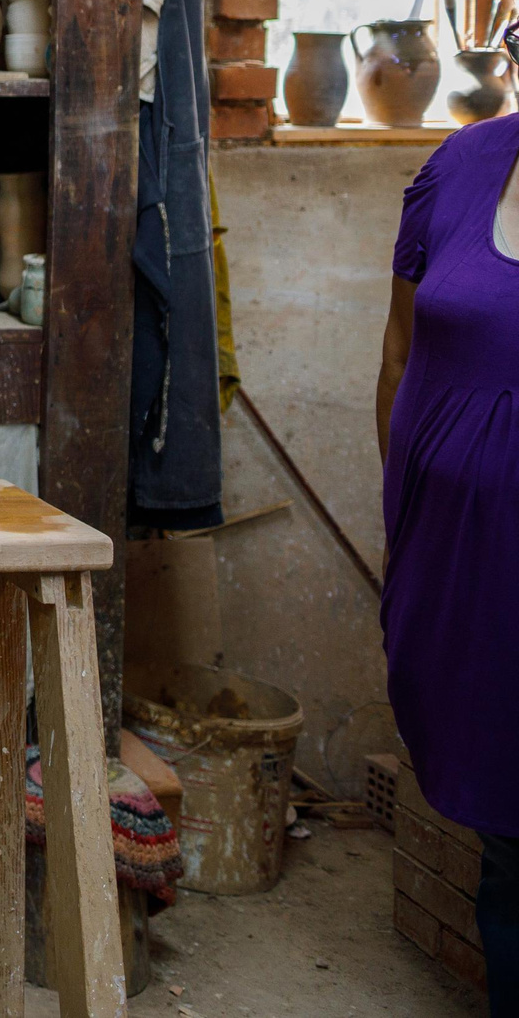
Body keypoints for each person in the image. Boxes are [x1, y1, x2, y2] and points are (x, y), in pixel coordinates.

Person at [376, 93, 519, 1015]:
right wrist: (410, 526)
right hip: (468, 575)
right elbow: (396, 356)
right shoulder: (463, 164)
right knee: (506, 837)